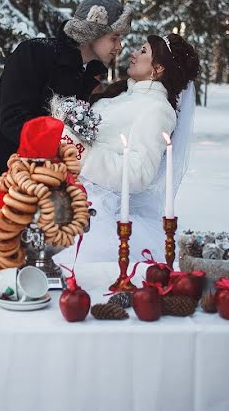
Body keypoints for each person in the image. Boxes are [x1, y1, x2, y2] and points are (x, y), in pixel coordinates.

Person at [0, 0, 132, 236]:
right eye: (114, 38)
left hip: (29, 182)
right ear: (91, 31)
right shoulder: (35, 53)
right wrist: (62, 144)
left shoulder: (87, 73)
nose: (119, 46)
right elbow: (12, 120)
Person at [56, 33, 201, 265]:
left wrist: (77, 152)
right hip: (65, 189)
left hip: (96, 208)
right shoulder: (122, 95)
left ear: (158, 69)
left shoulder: (157, 109)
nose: (133, 53)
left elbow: (137, 174)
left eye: (143, 51)